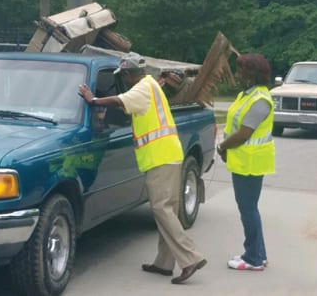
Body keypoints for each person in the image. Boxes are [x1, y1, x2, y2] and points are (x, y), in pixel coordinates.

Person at [78, 52, 207, 284]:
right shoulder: (150, 85)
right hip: (168, 155)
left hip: (160, 158)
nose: (124, 80)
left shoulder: (141, 88)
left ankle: (190, 259)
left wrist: (93, 100)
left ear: (129, 74)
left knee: (161, 209)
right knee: (168, 209)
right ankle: (164, 263)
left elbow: (119, 101)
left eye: (124, 76)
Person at [216, 53, 275, 271]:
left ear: (251, 74)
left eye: (240, 70)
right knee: (249, 208)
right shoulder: (247, 94)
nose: (237, 74)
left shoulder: (260, 100)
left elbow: (244, 133)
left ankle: (253, 259)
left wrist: (222, 147)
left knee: (248, 209)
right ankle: (259, 254)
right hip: (242, 160)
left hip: (251, 163)